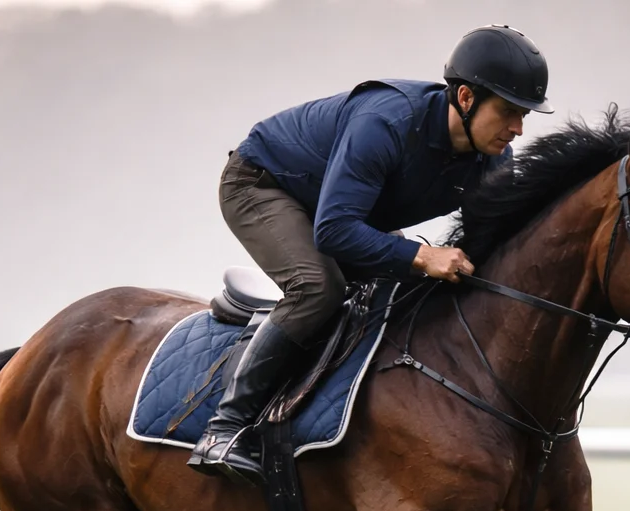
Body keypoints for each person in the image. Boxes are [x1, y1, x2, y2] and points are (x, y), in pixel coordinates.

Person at [187, 25, 553, 483]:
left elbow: (491, 251)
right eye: (509, 112)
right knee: (319, 289)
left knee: (406, 290)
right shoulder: (386, 122)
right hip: (263, 183)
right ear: (464, 98)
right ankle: (225, 430)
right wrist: (423, 257)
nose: (518, 129)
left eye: (525, 115)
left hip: (339, 206)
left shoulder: (495, 158)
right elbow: (336, 231)